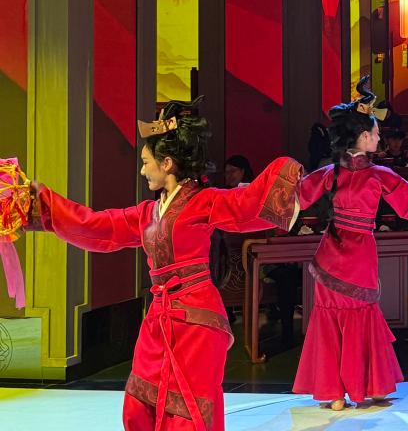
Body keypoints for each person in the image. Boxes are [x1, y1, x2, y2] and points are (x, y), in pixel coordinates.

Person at [26, 99, 302, 431]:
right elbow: (99, 225)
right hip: (160, 316)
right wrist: (43, 204)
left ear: (167, 163)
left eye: (146, 162)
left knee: (187, 413)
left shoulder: (204, 201)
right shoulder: (148, 213)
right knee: (138, 404)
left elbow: (246, 203)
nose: (143, 170)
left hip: (197, 320)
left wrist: (289, 175)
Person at [292, 78, 408, 410]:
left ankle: (335, 393)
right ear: (364, 137)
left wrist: (254, 194)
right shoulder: (378, 175)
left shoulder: (330, 173)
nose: (379, 137)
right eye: (376, 133)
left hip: (329, 256)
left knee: (330, 318)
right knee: (360, 315)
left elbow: (292, 199)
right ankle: (367, 386)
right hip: (359, 256)